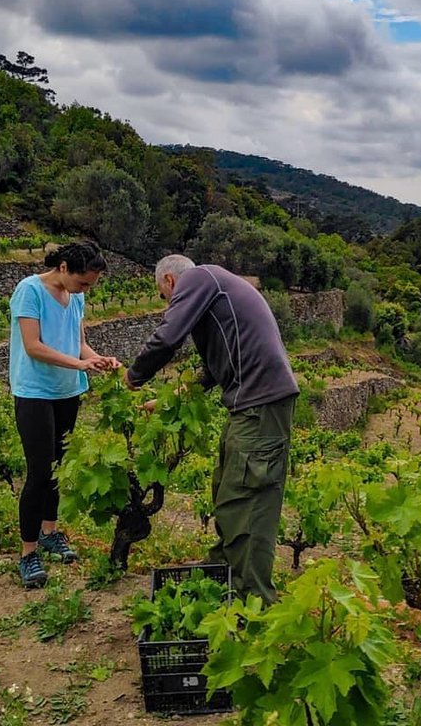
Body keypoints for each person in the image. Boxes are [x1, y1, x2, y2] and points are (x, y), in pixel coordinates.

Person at [125, 255, 298, 605]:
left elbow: (167, 337)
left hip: (260, 406)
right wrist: (167, 400)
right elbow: (211, 372)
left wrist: (132, 377)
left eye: (164, 297)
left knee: (247, 497)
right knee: (227, 487)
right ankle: (224, 570)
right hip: (251, 405)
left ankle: (255, 601)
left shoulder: (199, 279)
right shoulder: (217, 294)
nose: (168, 305)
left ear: (171, 281)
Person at [9, 241, 120, 589]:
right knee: (39, 472)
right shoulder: (29, 291)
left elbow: (78, 342)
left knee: (59, 469)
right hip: (35, 392)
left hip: (68, 391)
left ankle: (50, 533)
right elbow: (33, 346)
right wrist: (79, 363)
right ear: (63, 268)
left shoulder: (76, 297)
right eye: (83, 283)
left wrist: (97, 358)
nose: (86, 290)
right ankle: (28, 554)